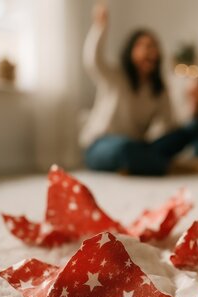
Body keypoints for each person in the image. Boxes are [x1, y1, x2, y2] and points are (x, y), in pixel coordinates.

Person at [80, 4, 191, 175]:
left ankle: (144, 163)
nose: (148, 51)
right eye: (142, 45)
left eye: (153, 46)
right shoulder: (116, 76)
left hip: (137, 144)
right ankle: (169, 166)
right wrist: (100, 27)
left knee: (186, 133)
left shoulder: (159, 89)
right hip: (100, 145)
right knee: (126, 148)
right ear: (130, 51)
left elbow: (169, 125)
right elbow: (92, 60)